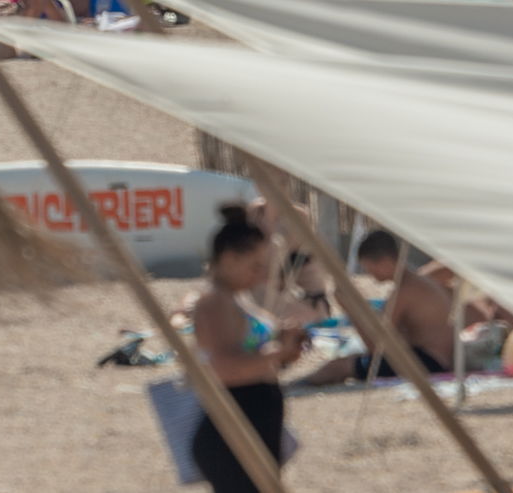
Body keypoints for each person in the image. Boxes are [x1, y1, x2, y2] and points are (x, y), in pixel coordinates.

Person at [180, 203, 304, 493]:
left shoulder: (237, 298)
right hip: (233, 429)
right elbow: (224, 369)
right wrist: (278, 352)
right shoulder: (212, 303)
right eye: (256, 266)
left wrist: (287, 346)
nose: (261, 276)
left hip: (254, 421)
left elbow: (259, 359)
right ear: (229, 259)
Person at [302, 228, 460, 384]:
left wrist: (350, 308)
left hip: (427, 363)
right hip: (435, 358)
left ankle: (295, 388)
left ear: (384, 262)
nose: (369, 274)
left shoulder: (405, 291)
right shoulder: (415, 282)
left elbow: (377, 348)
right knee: (345, 361)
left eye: (368, 267)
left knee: (337, 367)